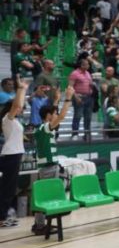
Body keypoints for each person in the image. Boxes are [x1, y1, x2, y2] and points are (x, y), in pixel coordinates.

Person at [32, 86, 75, 234]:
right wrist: (68, 97)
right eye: (53, 113)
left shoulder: (43, 127)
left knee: (43, 195)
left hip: (48, 167)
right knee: (46, 197)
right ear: (48, 116)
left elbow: (55, 114)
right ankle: (40, 225)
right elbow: (61, 116)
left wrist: (56, 99)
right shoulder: (45, 128)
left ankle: (38, 224)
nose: (56, 114)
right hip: (48, 167)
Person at [0, 78, 28, 228]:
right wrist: (20, 89)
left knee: (10, 188)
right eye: (17, 108)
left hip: (14, 155)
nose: (21, 109)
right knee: (7, 188)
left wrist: (23, 90)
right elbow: (17, 104)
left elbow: (19, 104)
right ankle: (2, 218)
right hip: (10, 156)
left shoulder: (15, 120)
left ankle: (5, 215)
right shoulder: (7, 118)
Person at [68, 58, 95, 140]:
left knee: (88, 117)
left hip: (89, 97)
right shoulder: (74, 74)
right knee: (78, 115)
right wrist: (75, 97)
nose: (88, 66)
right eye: (87, 64)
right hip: (79, 97)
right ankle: (75, 134)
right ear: (82, 65)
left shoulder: (88, 73)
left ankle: (87, 133)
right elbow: (70, 87)